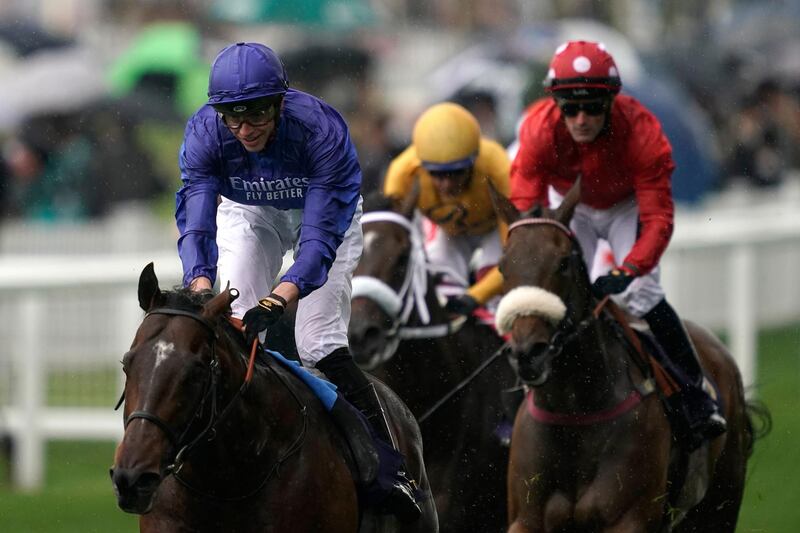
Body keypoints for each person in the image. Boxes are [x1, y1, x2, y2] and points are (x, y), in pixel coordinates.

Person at [175, 42, 420, 521]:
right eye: (232, 117)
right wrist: (201, 286)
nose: (244, 130)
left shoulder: (321, 130)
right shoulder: (205, 132)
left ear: (280, 103)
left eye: (256, 116)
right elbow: (198, 221)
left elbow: (317, 244)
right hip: (251, 214)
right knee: (239, 330)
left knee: (317, 342)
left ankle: (393, 470)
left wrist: (281, 297)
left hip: (324, 218)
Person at [509, 40, 726, 448]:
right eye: (570, 108)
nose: (581, 119)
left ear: (611, 101)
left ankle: (696, 392)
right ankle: (524, 398)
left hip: (625, 208)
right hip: (570, 207)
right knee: (551, 296)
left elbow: (659, 218)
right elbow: (525, 203)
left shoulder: (643, 132)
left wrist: (628, 269)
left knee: (642, 294)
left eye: (592, 106)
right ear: (555, 103)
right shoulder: (538, 129)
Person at [383, 102, 510, 316]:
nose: (447, 184)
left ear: (474, 160)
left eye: (456, 172)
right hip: (445, 232)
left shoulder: (500, 167)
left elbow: (515, 252)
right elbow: (388, 242)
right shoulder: (401, 174)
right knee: (442, 283)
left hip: (494, 231)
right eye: (436, 174)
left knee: (495, 284)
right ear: (421, 164)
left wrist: (477, 296)